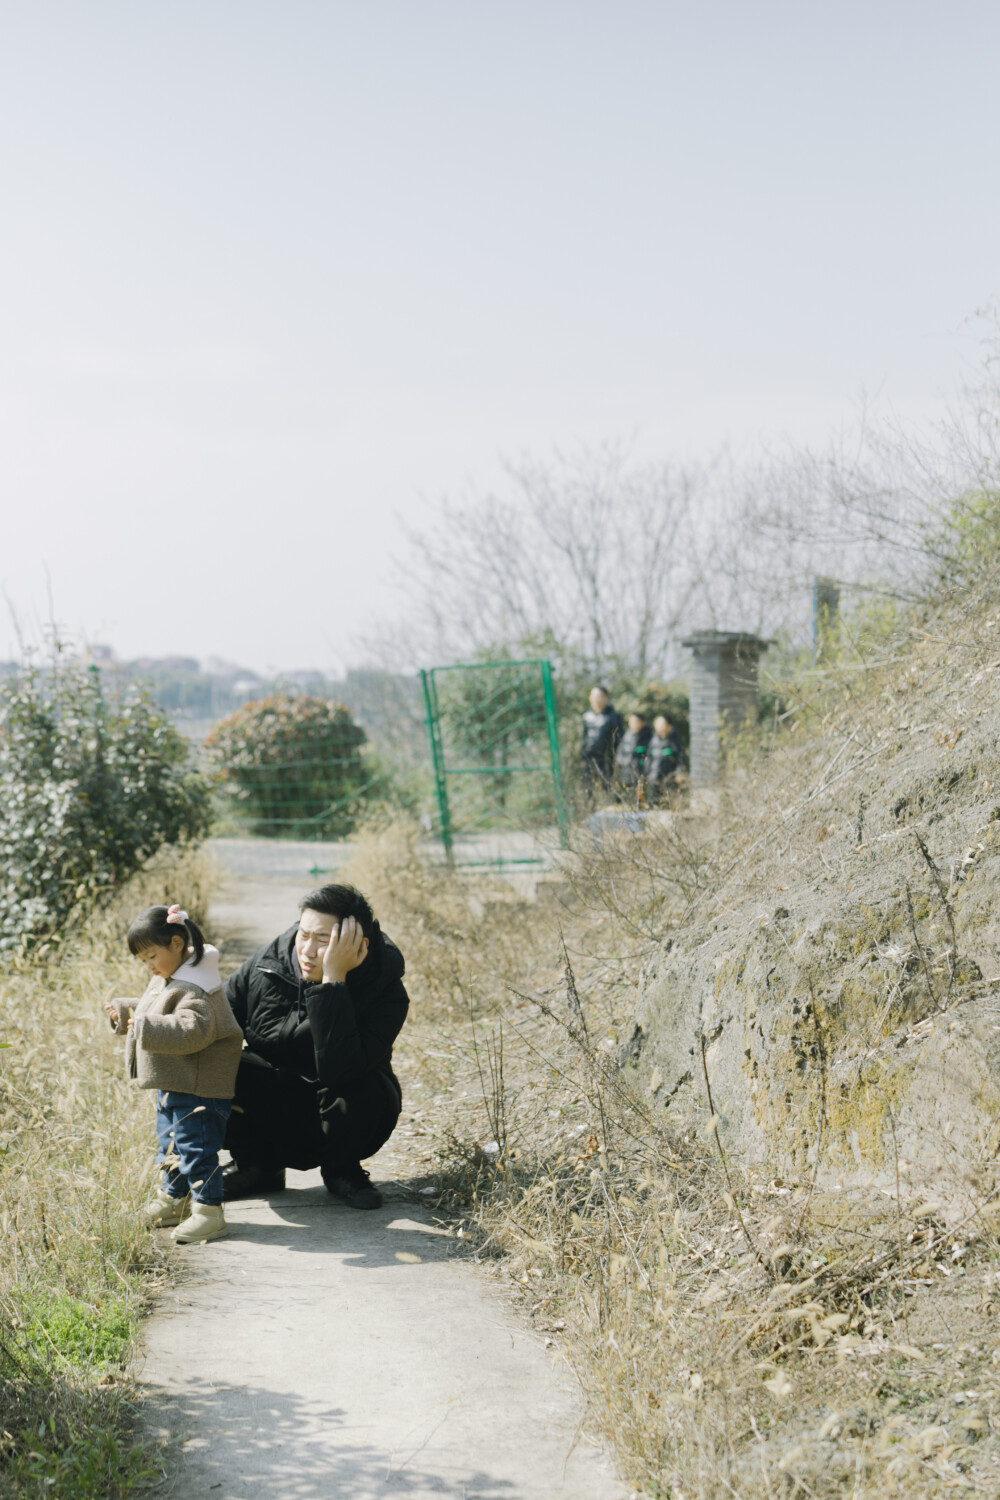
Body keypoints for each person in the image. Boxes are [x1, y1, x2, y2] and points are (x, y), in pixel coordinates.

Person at [221, 883, 408, 1210]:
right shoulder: (268, 963)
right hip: (276, 1098)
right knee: (208, 1064)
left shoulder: (385, 990)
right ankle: (256, 1166)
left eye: (323, 940)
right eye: (303, 935)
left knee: (367, 1087)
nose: (307, 950)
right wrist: (155, 1014)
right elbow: (215, 1016)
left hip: (338, 1103)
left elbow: (340, 1070)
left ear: (358, 946)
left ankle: (342, 1170)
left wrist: (334, 981)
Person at [105, 904, 243, 1245]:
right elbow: (155, 1009)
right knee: (169, 1146)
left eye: (152, 956)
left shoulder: (198, 987)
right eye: (143, 961)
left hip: (199, 1088)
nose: (149, 966)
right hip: (174, 1082)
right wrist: (125, 1012)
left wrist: (144, 1024)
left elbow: (193, 1029)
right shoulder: (170, 977)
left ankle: (209, 1212)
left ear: (177, 943)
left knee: (196, 1150)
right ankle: (173, 1201)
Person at [580, 685, 624, 800]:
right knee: (587, 789)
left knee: (608, 788)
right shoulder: (587, 716)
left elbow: (619, 739)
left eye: (598, 696)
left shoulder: (613, 716)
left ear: (605, 698)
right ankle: (589, 811)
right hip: (589, 758)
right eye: (592, 696)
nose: (594, 699)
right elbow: (584, 738)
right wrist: (583, 757)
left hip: (606, 759)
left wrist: (617, 758)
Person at [646, 714, 686, 801]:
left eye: (661, 724)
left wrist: (679, 773)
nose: (658, 727)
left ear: (669, 726)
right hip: (654, 778)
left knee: (667, 804)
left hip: (669, 779)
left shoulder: (675, 741)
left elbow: (680, 759)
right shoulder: (653, 740)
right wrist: (647, 773)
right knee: (652, 803)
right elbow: (648, 758)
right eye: (657, 724)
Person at [615, 710, 653, 791]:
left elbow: (650, 757)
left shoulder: (649, 738)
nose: (633, 724)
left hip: (641, 774)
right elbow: (619, 753)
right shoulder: (627, 736)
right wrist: (622, 763)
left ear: (643, 723)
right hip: (625, 773)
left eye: (635, 721)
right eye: (631, 721)